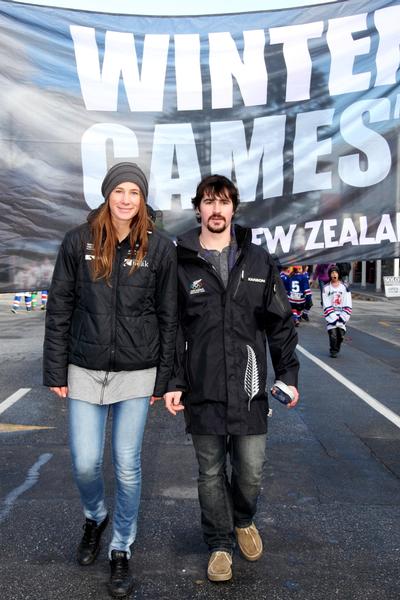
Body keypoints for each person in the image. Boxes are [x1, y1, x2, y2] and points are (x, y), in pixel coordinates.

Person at [43, 162, 177, 598]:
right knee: (84, 462)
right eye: (119, 191)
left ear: (142, 199)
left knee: (127, 465)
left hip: (137, 372)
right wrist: (55, 368)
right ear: (106, 195)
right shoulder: (76, 240)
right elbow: (60, 307)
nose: (125, 199)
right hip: (84, 367)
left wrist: (164, 379)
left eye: (133, 193)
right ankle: (95, 516)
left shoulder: (160, 247)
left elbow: (169, 316)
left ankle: (121, 548)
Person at [163, 174, 299, 582]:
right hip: (202, 387)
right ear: (199, 208)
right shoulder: (181, 260)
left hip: (250, 388)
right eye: (209, 202)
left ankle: (243, 519)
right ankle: (219, 544)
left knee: (251, 470)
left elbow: (280, 322)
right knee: (209, 472)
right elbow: (172, 328)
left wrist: (288, 374)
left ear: (234, 209)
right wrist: (173, 381)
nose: (216, 210)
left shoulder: (258, 260)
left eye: (223, 202)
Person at [322, 265, 352, 357]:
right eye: (332, 273)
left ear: (338, 274)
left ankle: (337, 347)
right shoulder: (326, 288)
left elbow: (348, 302)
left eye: (335, 272)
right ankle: (333, 351)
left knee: (340, 335)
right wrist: (333, 317)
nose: (334, 274)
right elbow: (326, 303)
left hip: (342, 314)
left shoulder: (344, 287)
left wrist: (343, 317)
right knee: (333, 334)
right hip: (331, 315)